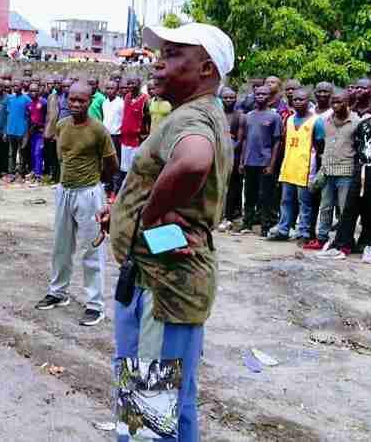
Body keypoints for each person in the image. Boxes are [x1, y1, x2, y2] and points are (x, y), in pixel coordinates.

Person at [105, 23, 234, 442]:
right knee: (174, 405)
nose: (161, 63)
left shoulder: (195, 117)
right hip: (162, 281)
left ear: (206, 70)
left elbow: (193, 161)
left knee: (149, 414)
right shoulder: (192, 113)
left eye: (176, 53)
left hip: (161, 289)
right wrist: (126, 212)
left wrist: (151, 217)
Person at [35, 80, 117, 326]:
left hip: (89, 194)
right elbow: (62, 155)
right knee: (61, 245)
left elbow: (111, 166)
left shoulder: (98, 130)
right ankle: (58, 292)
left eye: (81, 100)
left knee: (91, 249)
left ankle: (95, 305)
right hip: (64, 191)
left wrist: (95, 186)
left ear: (90, 101)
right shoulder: (62, 126)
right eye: (71, 99)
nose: (75, 104)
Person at [319, 88, 371, 263]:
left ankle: (368, 245)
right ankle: (340, 245)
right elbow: (357, 149)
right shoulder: (363, 125)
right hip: (361, 170)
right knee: (350, 208)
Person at [306, 89, 359, 250]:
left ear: (348, 103)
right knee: (325, 206)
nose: (335, 105)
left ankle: (344, 241)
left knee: (344, 209)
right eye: (333, 102)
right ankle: (321, 238)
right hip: (327, 170)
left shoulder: (356, 122)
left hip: (345, 171)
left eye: (339, 102)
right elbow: (320, 143)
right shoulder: (326, 121)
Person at [268, 88, 317, 242]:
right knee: (286, 201)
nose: (297, 102)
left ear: (308, 101)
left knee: (305, 204)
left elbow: (320, 145)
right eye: (295, 99)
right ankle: (283, 230)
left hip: (306, 168)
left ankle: (303, 233)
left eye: (301, 99)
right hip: (289, 166)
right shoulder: (289, 120)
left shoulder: (316, 121)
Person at [238, 85, 282, 236]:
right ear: (254, 96)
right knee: (249, 194)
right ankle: (246, 224)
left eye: (264, 94)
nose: (261, 96)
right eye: (258, 94)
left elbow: (277, 142)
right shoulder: (248, 116)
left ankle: (265, 225)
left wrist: (271, 164)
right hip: (250, 161)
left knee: (265, 196)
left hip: (265, 162)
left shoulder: (274, 117)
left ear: (269, 98)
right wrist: (242, 162)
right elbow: (244, 140)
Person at [220, 87, 243, 230]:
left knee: (233, 187)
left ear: (236, 98)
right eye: (226, 98)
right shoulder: (218, 115)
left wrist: (228, 150)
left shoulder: (240, 115)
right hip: (218, 155)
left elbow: (240, 139)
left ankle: (229, 216)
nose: (228, 100)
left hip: (233, 156)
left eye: (231, 97)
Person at [5, 81, 32, 180]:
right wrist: (6, 131)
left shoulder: (27, 99)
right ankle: (11, 173)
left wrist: (27, 133)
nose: (15, 87)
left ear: (21, 86)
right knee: (11, 153)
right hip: (11, 131)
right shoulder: (10, 99)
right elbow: (8, 115)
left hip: (22, 131)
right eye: (13, 86)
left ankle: (21, 173)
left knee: (22, 153)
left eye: (17, 85)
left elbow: (30, 117)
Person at [101, 80, 124, 191]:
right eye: (108, 88)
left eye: (112, 88)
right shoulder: (105, 102)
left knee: (115, 162)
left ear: (117, 90)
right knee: (106, 162)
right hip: (105, 135)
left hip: (116, 137)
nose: (109, 91)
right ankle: (108, 185)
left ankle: (116, 188)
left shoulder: (121, 103)